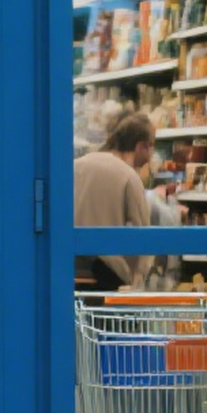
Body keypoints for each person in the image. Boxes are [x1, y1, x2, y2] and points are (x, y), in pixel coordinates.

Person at [73, 112, 155, 291]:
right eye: (151, 147)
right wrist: (136, 280)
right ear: (141, 146)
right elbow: (141, 235)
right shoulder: (129, 177)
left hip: (68, 270)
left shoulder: (75, 167)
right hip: (108, 277)